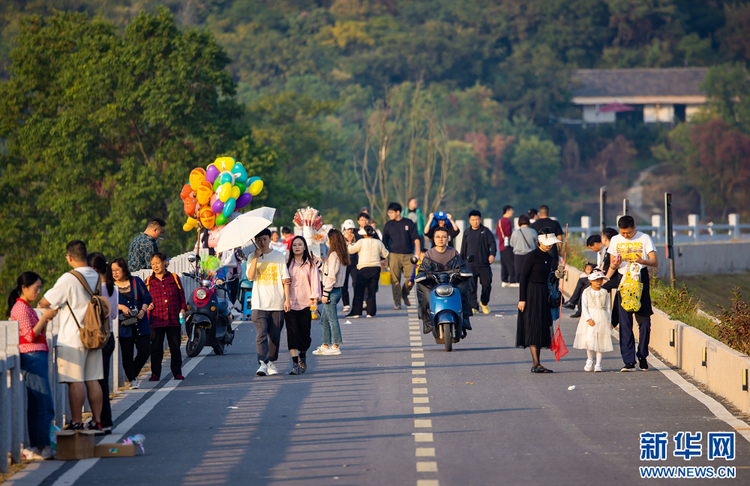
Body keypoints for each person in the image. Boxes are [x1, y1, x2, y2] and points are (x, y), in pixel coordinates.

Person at [39, 240, 104, 430]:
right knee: (93, 379)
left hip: (72, 338)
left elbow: (45, 302)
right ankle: (96, 421)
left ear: (69, 257)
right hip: (94, 335)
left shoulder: (68, 279)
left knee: (74, 381)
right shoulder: (96, 275)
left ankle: (76, 422)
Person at [9, 272, 57, 460]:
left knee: (37, 404)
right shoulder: (20, 308)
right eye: (35, 288)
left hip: (35, 356)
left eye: (40, 288)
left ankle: (39, 446)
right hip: (33, 356)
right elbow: (29, 336)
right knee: (45, 403)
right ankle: (42, 445)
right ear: (24, 288)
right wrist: (45, 317)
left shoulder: (25, 307)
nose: (38, 292)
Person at [605, 215, 658, 372]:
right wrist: (607, 277)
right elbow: (613, 264)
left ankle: (642, 354)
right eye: (622, 233)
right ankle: (628, 361)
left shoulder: (644, 238)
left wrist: (642, 261)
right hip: (623, 280)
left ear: (634, 227)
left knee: (645, 321)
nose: (625, 236)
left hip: (640, 279)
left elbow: (655, 261)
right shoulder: (615, 240)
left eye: (628, 233)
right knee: (625, 322)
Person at [516, 232, 563, 373]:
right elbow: (523, 277)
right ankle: (535, 364)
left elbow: (548, 278)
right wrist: (522, 299)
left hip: (543, 293)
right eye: (547, 243)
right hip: (531, 293)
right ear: (540, 241)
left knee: (541, 326)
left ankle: (537, 364)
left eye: (551, 244)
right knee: (532, 326)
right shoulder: (532, 256)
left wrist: (557, 276)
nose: (549, 246)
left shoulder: (549, 257)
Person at [247, 228, 291, 376]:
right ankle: (263, 363)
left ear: (269, 239)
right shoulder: (251, 257)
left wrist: (287, 299)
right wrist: (255, 259)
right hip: (259, 303)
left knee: (275, 335)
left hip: (277, 302)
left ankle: (271, 362)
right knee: (261, 334)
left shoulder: (279, 256)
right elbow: (251, 277)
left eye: (265, 239)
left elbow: (285, 279)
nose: (262, 242)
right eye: (259, 240)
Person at [416, 227, 473, 336]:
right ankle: (427, 321)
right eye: (438, 237)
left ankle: (464, 319)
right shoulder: (429, 254)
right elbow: (423, 269)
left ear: (448, 238)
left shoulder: (453, 252)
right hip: (434, 283)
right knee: (422, 289)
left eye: (443, 237)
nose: (440, 239)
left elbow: (461, 267)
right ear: (434, 239)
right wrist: (424, 275)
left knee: (465, 286)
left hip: (452, 282)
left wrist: (463, 272)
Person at [87, 253, 118, 434]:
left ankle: (103, 421)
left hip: (99, 338)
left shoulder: (96, 290)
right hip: (110, 336)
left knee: (99, 382)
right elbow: (113, 315)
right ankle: (102, 420)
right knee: (103, 381)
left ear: (93, 270)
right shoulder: (111, 288)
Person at [145, 252, 186, 381]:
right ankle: (155, 373)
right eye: (153, 264)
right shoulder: (148, 281)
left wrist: (183, 309)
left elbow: (182, 296)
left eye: (157, 263)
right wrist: (147, 306)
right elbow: (144, 300)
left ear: (164, 262)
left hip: (173, 319)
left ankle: (177, 372)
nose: (155, 266)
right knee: (156, 348)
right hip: (157, 320)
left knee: (175, 347)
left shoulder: (174, 278)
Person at [111, 258, 151, 389]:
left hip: (140, 322)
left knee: (145, 351)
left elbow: (147, 297)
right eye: (112, 270)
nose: (115, 273)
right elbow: (106, 303)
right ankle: (133, 379)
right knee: (127, 354)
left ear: (124, 269)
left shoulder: (136, 281)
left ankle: (132, 372)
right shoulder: (110, 286)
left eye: (117, 269)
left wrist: (143, 310)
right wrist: (121, 307)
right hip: (124, 326)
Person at [285, 236, 321, 374]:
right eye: (294, 245)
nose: (297, 247)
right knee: (292, 334)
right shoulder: (287, 264)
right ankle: (295, 364)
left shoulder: (310, 265)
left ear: (305, 247)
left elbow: (315, 285)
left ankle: (303, 355)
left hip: (306, 304)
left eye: (300, 244)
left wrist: (314, 303)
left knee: (305, 335)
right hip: (290, 303)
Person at [314, 229, 350, 356]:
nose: (327, 241)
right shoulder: (339, 254)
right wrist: (317, 262)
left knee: (332, 320)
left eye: (328, 239)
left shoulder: (334, 255)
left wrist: (325, 293)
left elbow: (331, 277)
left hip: (332, 291)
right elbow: (327, 271)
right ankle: (325, 344)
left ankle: (335, 346)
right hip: (335, 290)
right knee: (324, 319)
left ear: (332, 240)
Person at [573, 269, 614, 372]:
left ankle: (598, 364)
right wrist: (588, 318)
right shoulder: (586, 291)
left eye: (600, 280)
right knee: (590, 339)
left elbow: (607, 308)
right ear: (591, 280)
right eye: (596, 280)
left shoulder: (604, 292)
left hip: (602, 317)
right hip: (591, 317)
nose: (598, 282)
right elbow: (584, 306)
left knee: (600, 340)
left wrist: (610, 320)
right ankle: (590, 360)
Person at [382, 202, 421, 309]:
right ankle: (397, 302)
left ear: (398, 212)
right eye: (388, 212)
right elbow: (383, 243)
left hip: (408, 255)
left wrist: (418, 251)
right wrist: (384, 258)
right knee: (395, 280)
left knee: (412, 278)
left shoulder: (409, 223)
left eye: (391, 212)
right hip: (393, 255)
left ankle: (404, 294)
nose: (389, 214)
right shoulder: (388, 225)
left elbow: (416, 238)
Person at [347, 226, 389, 318]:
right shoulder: (378, 242)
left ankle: (357, 312)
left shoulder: (361, 242)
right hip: (375, 268)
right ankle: (370, 312)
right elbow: (386, 253)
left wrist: (349, 242)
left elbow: (351, 250)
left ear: (364, 234)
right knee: (371, 291)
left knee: (359, 290)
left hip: (363, 268)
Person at [460, 210, 497, 315]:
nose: (475, 222)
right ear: (469, 221)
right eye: (473, 220)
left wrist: (492, 254)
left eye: (477, 220)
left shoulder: (486, 231)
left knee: (487, 285)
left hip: (484, 264)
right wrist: (461, 263)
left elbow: (492, 244)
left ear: (480, 219)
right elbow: (463, 249)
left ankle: (484, 303)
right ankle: (474, 307)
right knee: (471, 287)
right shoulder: (467, 232)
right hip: (470, 265)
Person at [510, 215, 538, 285]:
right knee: (530, 273)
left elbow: (511, 244)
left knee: (519, 274)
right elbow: (537, 243)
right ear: (528, 222)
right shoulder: (533, 231)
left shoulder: (515, 232)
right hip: (530, 255)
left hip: (518, 255)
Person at [341, 219, 360, 313]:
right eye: (348, 229)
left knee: (356, 282)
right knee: (343, 284)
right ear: (345, 228)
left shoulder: (357, 237)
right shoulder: (341, 238)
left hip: (354, 262)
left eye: (352, 228)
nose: (350, 230)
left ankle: (357, 302)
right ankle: (346, 304)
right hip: (344, 262)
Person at [496, 205, 516, 287]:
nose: (512, 212)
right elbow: (508, 233)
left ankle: (504, 280)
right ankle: (512, 281)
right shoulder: (506, 221)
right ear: (507, 211)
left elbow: (497, 233)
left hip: (501, 245)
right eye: (511, 210)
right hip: (507, 245)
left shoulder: (499, 221)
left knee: (504, 263)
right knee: (511, 263)